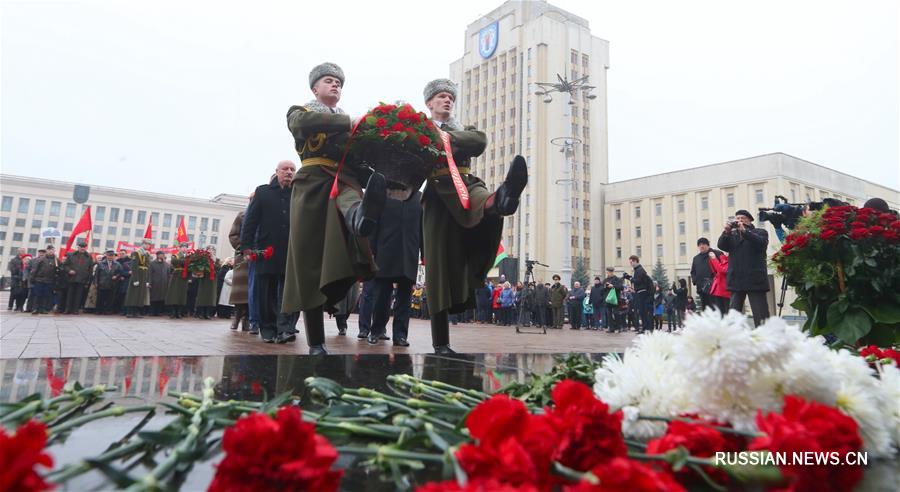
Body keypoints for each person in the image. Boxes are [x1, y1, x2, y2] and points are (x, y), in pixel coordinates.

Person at [281, 63, 383, 355]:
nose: (336, 85)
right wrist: (350, 122)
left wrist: (384, 178)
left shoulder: (349, 126)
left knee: (352, 200)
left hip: (345, 182)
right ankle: (316, 343)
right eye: (329, 81)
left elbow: (358, 163)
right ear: (315, 88)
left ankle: (360, 218)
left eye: (339, 82)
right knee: (310, 265)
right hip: (313, 185)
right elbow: (300, 124)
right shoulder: (299, 111)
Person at [421, 78, 527, 353]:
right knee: (439, 269)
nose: (447, 101)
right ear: (429, 102)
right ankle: (441, 343)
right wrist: (445, 141)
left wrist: (442, 138)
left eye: (450, 97)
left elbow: (478, 141)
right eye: (441, 97)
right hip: (437, 197)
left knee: (482, 199)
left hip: (466, 185)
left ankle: (504, 199)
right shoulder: (418, 130)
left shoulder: (460, 129)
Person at [243, 163, 301, 342]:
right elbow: (250, 222)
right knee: (265, 291)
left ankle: (284, 328)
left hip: (291, 251)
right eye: (285, 169)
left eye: (292, 169)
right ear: (277, 172)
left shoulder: (298, 194)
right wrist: (246, 248)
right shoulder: (263, 192)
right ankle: (267, 328)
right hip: (265, 250)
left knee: (287, 292)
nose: (289, 172)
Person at [367, 190, 422, 347]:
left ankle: (400, 336)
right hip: (385, 251)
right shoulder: (384, 194)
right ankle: (376, 330)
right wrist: (371, 250)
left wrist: (425, 252)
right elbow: (374, 224)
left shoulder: (418, 197)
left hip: (409, 252)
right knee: (381, 296)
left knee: (404, 299)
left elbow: (423, 226)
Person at [717, 209, 770, 326]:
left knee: (760, 313)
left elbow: (761, 243)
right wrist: (726, 231)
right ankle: (734, 339)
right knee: (733, 315)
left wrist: (745, 231)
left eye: (742, 218)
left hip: (754, 279)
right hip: (737, 279)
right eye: (737, 219)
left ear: (750, 220)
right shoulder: (732, 235)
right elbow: (721, 245)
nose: (739, 221)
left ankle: (764, 338)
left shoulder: (760, 232)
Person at [227, 210, 250, 331]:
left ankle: (247, 319)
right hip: (242, 256)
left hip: (257, 256)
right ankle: (236, 317)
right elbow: (233, 235)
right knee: (239, 291)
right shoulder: (242, 215)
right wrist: (242, 247)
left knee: (252, 291)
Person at [62, 240, 94, 314]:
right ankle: (67, 309)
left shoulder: (89, 257)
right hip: (71, 278)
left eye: (84, 247)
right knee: (70, 294)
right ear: (78, 247)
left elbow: (90, 269)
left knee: (78, 295)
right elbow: (65, 265)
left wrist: (88, 279)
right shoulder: (71, 255)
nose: (82, 249)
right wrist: (69, 271)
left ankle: (75, 309)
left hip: (82, 279)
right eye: (81, 247)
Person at [125, 239, 152, 318]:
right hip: (138, 274)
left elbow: (147, 267)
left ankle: (136, 312)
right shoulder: (136, 252)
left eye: (149, 244)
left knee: (140, 294)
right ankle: (130, 312)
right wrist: (135, 279)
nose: (148, 246)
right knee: (133, 293)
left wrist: (147, 280)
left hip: (143, 275)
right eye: (146, 244)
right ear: (143, 244)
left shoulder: (146, 253)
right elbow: (134, 266)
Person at [690, 238, 719, 312]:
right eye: (699, 245)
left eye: (703, 244)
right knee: (705, 309)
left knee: (715, 309)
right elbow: (693, 272)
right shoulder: (696, 258)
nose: (701, 246)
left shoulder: (716, 253)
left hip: (714, 288)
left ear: (708, 245)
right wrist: (695, 281)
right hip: (701, 289)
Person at [629, 255, 654, 333]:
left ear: (636, 261)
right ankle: (645, 328)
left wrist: (629, 278)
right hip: (640, 292)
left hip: (642, 293)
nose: (631, 264)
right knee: (642, 311)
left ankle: (645, 328)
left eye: (631, 262)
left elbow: (638, 281)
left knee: (643, 311)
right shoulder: (638, 270)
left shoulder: (639, 270)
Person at [165, 243, 190, 319]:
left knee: (181, 295)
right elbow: (175, 261)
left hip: (184, 277)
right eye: (183, 247)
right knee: (174, 295)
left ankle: (179, 312)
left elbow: (189, 264)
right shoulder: (175, 255)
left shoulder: (188, 256)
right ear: (179, 248)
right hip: (176, 276)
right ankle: (173, 312)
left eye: (186, 247)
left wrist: (186, 261)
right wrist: (185, 261)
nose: (184, 249)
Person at [95, 250, 122, 315]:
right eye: (109, 255)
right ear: (106, 256)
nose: (110, 257)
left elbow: (120, 273)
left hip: (112, 284)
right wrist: (96, 282)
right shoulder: (101, 263)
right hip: (102, 283)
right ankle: (99, 310)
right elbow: (96, 274)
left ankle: (107, 310)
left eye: (112, 256)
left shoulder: (117, 264)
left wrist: (116, 276)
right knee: (100, 298)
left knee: (110, 298)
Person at [195, 246, 219, 320]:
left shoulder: (216, 259)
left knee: (210, 297)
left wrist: (214, 261)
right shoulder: (203, 258)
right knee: (203, 296)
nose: (211, 251)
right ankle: (201, 313)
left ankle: (207, 313)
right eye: (209, 249)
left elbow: (218, 268)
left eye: (212, 250)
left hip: (212, 280)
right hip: (205, 279)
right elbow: (200, 267)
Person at [600, 268, 622, 333]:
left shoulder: (617, 279)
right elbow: (601, 289)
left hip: (615, 299)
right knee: (609, 314)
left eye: (610, 272)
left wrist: (613, 286)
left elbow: (621, 287)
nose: (608, 273)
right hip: (607, 299)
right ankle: (611, 328)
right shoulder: (605, 280)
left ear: (612, 272)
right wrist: (605, 286)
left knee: (616, 313)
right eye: (608, 272)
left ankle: (618, 328)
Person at [149, 251, 170, 316]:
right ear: (157, 255)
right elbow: (149, 274)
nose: (161, 256)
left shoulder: (166, 264)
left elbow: (168, 274)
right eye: (160, 255)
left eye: (163, 255)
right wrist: (149, 282)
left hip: (163, 284)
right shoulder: (152, 264)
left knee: (161, 299)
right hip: (154, 283)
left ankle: (159, 312)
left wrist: (168, 283)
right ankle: (152, 312)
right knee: (153, 298)